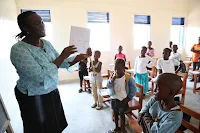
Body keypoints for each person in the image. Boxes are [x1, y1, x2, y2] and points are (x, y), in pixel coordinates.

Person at [10, 11, 92, 133]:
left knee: (54, 125)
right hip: (33, 95)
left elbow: (61, 63)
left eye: (42, 22)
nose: (42, 25)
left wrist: (78, 58)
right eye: (37, 23)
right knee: (39, 128)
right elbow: (40, 76)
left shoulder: (46, 44)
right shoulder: (19, 50)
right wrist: (62, 57)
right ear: (26, 28)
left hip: (51, 91)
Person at [107, 59, 136, 133]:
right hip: (114, 99)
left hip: (123, 100)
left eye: (119, 69)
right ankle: (117, 127)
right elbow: (108, 86)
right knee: (115, 114)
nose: (117, 71)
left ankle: (123, 129)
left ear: (123, 68)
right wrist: (112, 80)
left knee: (122, 115)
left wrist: (128, 98)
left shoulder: (127, 77)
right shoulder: (113, 76)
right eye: (115, 69)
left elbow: (133, 89)